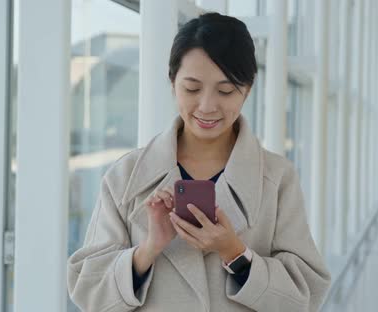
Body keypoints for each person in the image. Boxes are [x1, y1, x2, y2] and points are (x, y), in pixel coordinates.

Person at [68, 12, 331, 312]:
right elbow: (88, 290)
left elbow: (306, 295)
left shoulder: (277, 178)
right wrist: (147, 250)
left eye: (226, 90)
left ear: (248, 88)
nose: (207, 106)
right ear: (172, 82)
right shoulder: (126, 176)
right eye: (192, 89)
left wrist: (235, 253)